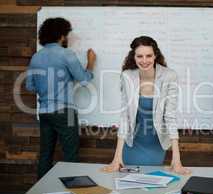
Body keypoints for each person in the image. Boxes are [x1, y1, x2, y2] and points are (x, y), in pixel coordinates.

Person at [102, 36, 190, 175]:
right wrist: (117, 157)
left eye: (149, 55)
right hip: (132, 143)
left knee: (150, 183)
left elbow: (170, 116)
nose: (144, 60)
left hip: (155, 143)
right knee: (128, 183)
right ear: (134, 57)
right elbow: (125, 116)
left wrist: (177, 159)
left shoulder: (169, 76)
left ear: (155, 55)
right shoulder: (127, 76)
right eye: (140, 56)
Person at [26, 17, 96, 179]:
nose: (67, 38)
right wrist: (91, 62)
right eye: (67, 34)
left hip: (44, 112)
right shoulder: (66, 54)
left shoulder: (36, 57)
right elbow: (84, 79)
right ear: (61, 36)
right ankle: (70, 193)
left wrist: (46, 90)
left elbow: (30, 86)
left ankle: (40, 193)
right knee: (70, 155)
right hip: (65, 112)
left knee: (45, 154)